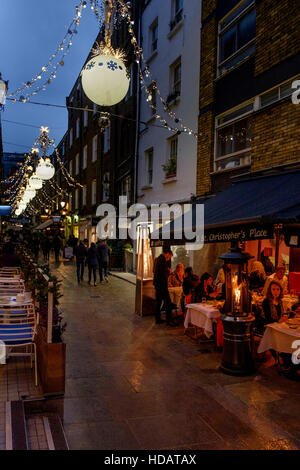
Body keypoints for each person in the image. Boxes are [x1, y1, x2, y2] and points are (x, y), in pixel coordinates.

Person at [153, 247, 177, 326]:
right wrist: (168, 271)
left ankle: (158, 319)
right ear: (167, 254)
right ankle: (169, 320)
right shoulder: (162, 260)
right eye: (170, 256)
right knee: (168, 303)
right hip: (162, 285)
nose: (169, 258)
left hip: (158, 284)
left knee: (158, 302)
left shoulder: (158, 259)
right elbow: (163, 273)